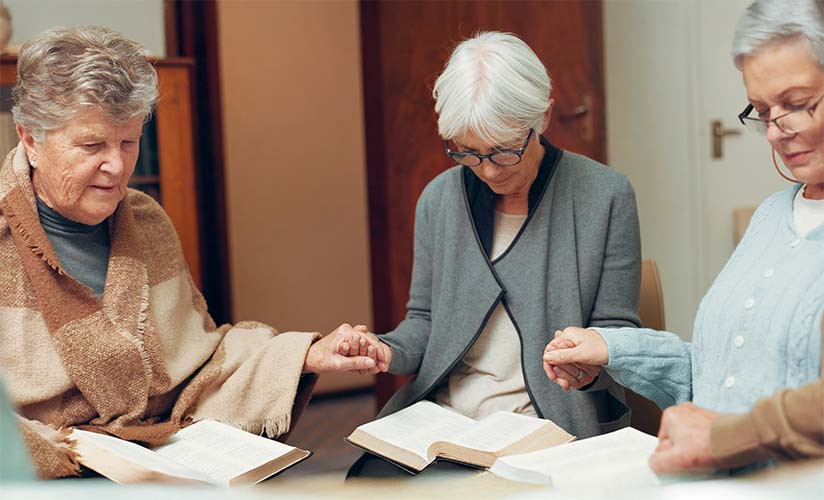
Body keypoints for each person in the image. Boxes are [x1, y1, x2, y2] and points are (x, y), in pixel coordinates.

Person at [0, 25, 374, 479]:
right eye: (92, 145)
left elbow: (200, 361)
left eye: (129, 142)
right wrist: (57, 452)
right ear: (31, 139)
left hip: (160, 461)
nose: (116, 166)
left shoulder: (146, 221)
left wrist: (307, 354)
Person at [543, 0, 824, 474]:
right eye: (761, 111)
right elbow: (723, 377)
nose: (777, 131)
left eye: (797, 104)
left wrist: (722, 438)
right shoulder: (772, 217)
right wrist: (611, 350)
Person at [348, 31, 643, 476]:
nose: (486, 170)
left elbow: (616, 331)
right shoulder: (439, 199)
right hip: (444, 419)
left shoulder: (605, 194)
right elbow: (424, 322)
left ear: (541, 116)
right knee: (367, 479)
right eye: (467, 153)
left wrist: (589, 363)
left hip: (546, 423)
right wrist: (385, 350)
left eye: (503, 152)